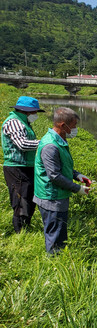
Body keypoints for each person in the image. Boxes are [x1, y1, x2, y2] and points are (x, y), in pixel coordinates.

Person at [33, 107, 91, 254]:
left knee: (59, 233)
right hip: (51, 197)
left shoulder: (59, 140)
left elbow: (62, 166)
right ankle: (53, 265)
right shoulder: (50, 146)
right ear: (63, 125)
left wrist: (77, 175)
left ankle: (59, 260)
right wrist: (77, 188)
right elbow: (54, 176)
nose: (75, 129)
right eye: (73, 125)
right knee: (55, 235)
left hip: (58, 196)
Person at [2, 96, 45, 233]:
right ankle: (20, 232)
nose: (36, 115)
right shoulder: (14, 122)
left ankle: (26, 229)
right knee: (21, 201)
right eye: (34, 112)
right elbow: (22, 144)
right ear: (26, 111)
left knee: (29, 199)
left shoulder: (23, 122)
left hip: (26, 167)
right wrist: (44, 143)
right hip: (17, 168)